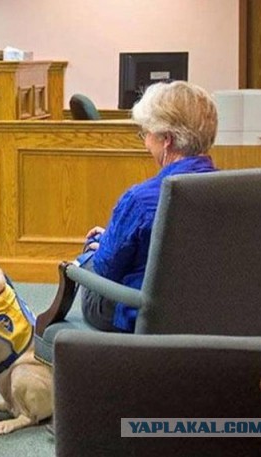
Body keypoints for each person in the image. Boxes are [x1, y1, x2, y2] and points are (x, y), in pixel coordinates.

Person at [76, 80, 218, 333]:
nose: (145, 143)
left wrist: (99, 247)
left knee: (87, 261)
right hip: (209, 311)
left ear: (167, 140)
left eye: (147, 134)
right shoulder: (232, 190)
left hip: (143, 314)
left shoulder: (140, 200)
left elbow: (106, 269)